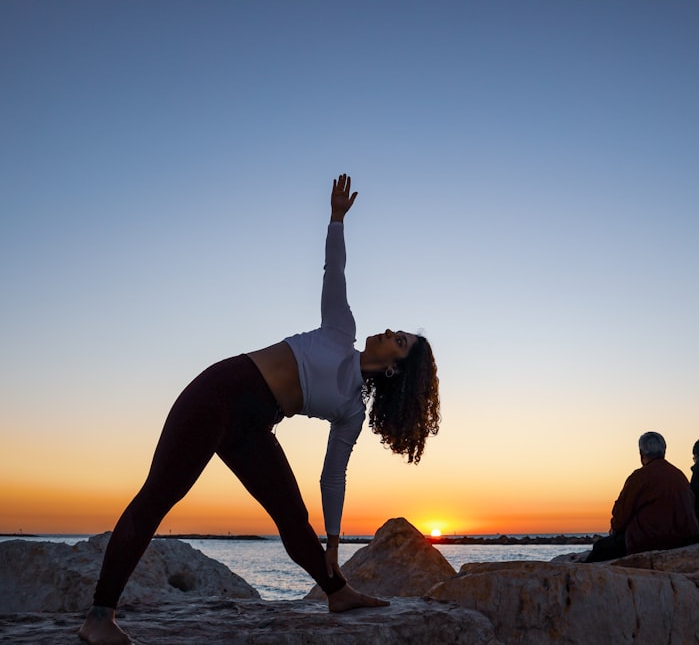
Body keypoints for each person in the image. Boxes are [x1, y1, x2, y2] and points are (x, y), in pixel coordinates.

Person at [79, 174, 441, 645]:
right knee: (158, 497)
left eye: (400, 341)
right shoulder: (339, 329)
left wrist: (334, 541)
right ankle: (99, 617)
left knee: (292, 517)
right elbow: (336, 270)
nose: (390, 331)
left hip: (254, 423)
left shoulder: (351, 409)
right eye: (397, 330)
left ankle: (337, 591)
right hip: (219, 393)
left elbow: (334, 476)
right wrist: (335, 219)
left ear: (395, 369)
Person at [584, 432, 699, 562]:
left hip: (650, 540)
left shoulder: (640, 477)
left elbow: (622, 513)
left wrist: (615, 529)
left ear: (641, 453)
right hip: (684, 538)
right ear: (664, 451)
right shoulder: (679, 475)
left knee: (600, 548)